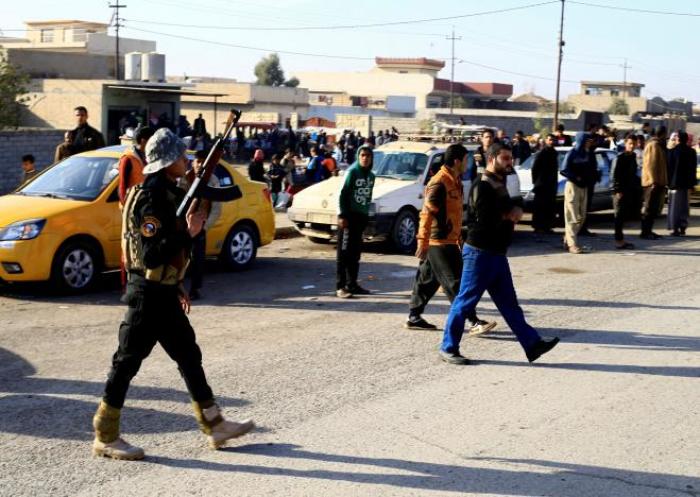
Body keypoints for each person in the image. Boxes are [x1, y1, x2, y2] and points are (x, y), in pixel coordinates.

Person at [92, 128, 254, 460]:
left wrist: (178, 282)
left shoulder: (168, 192)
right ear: (167, 162)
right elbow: (152, 253)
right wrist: (190, 233)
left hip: (163, 291)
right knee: (126, 363)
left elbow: (169, 244)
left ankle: (214, 424)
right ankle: (105, 436)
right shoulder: (150, 198)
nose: (185, 161)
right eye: (181, 157)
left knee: (188, 355)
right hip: (147, 294)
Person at [439, 142, 559, 365]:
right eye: (505, 158)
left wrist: (515, 208)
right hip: (480, 254)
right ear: (492, 159)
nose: (510, 162)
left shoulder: (500, 182)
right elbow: (484, 221)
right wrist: (509, 215)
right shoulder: (482, 185)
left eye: (511, 158)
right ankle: (448, 347)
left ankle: (532, 345)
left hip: (496, 254)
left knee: (509, 305)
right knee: (464, 302)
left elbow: (513, 205)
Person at [405, 143, 497, 336]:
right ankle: (472, 321)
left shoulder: (454, 180)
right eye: (465, 160)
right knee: (455, 282)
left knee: (427, 280)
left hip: (450, 240)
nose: (467, 163)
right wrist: (422, 241)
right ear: (457, 161)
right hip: (438, 242)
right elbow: (426, 214)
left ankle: (414, 316)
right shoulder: (439, 183)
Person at [182, 150, 223, 301]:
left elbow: (217, 208)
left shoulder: (212, 180)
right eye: (197, 161)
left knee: (197, 259)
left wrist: (204, 227)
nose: (200, 164)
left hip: (201, 225)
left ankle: (195, 289)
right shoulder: (185, 179)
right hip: (183, 225)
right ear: (193, 163)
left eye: (203, 161)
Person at [336, 145, 375, 298]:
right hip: (348, 217)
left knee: (355, 254)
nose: (365, 158)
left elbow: (368, 197)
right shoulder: (352, 172)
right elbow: (343, 194)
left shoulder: (371, 176)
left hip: (360, 218)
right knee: (343, 254)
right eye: (362, 155)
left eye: (368, 156)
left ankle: (352, 284)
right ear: (358, 157)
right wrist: (342, 216)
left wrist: (366, 217)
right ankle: (341, 286)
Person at [561, 132, 597, 254]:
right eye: (587, 140)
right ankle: (572, 244)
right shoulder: (572, 153)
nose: (589, 142)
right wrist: (576, 178)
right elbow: (564, 170)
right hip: (573, 187)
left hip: (584, 187)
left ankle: (568, 238)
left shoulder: (588, 154)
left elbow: (592, 169)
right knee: (572, 216)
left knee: (582, 216)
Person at [612, 136, 641, 249]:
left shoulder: (633, 156)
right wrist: (617, 190)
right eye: (630, 143)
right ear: (625, 144)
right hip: (620, 192)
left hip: (628, 190)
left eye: (634, 143)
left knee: (623, 216)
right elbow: (615, 175)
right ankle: (618, 240)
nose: (632, 146)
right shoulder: (620, 157)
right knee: (618, 217)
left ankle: (621, 239)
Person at [666, 131, 697, 236]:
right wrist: (692, 184)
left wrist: (668, 182)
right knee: (684, 207)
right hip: (687, 185)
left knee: (675, 207)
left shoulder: (672, 152)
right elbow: (693, 169)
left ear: (678, 139)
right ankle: (683, 227)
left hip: (675, 185)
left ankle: (675, 229)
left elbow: (669, 169)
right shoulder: (691, 152)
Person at [640, 126, 668, 240]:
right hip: (652, 183)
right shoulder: (653, 145)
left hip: (657, 182)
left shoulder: (658, 145)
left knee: (653, 209)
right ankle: (645, 232)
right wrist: (653, 181)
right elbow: (650, 165)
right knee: (649, 208)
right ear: (661, 134)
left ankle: (649, 230)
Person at [118, 126, 155, 205]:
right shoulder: (128, 159)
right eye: (152, 142)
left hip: (146, 204)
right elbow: (122, 186)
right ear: (143, 141)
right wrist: (125, 207)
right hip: (132, 205)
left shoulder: (150, 157)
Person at [531, 134, 559, 234]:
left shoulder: (554, 153)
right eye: (550, 140)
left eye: (554, 140)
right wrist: (536, 183)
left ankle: (547, 226)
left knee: (549, 207)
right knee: (539, 207)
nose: (552, 142)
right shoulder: (541, 153)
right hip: (541, 185)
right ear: (546, 141)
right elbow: (534, 169)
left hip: (551, 185)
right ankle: (538, 227)